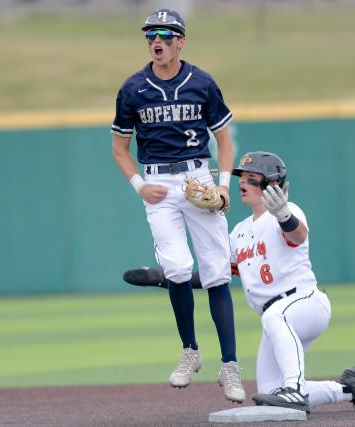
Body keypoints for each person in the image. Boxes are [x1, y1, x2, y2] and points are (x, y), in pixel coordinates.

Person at [124, 151, 355, 413]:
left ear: (272, 184)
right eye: (241, 177)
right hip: (277, 318)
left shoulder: (286, 212)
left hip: (305, 304)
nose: (242, 182)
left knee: (276, 326)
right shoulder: (239, 232)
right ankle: (349, 389)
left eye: (251, 178)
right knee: (269, 392)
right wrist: (165, 278)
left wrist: (284, 214)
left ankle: (294, 388)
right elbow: (214, 277)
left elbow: (298, 235)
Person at [111, 8, 244, 403]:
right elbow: (119, 147)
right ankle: (190, 351)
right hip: (159, 184)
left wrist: (221, 186)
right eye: (152, 35)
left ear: (181, 42)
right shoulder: (133, 89)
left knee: (218, 271)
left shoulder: (201, 82)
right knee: (177, 267)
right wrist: (139, 185)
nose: (158, 41)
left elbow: (224, 140)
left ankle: (231, 366)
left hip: (198, 177)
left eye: (167, 35)